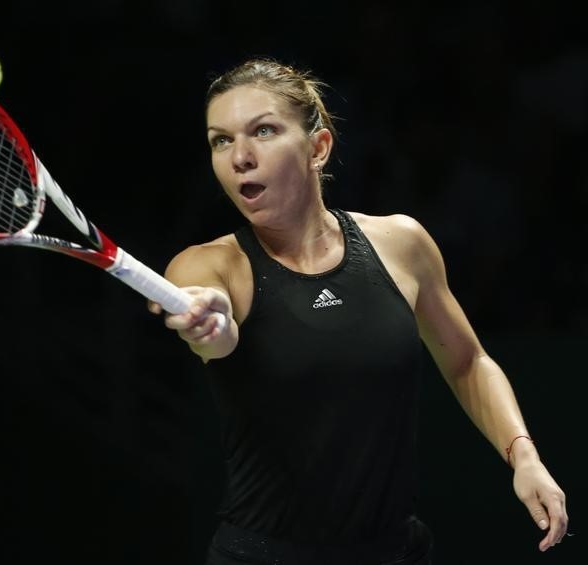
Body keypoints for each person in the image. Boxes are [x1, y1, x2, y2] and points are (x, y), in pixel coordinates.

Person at [147, 58, 569, 564]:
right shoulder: (208, 266)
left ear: (318, 148)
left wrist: (523, 454)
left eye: (263, 131)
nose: (240, 156)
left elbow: (467, 362)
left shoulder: (401, 244)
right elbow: (214, 336)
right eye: (221, 140)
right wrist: (210, 322)